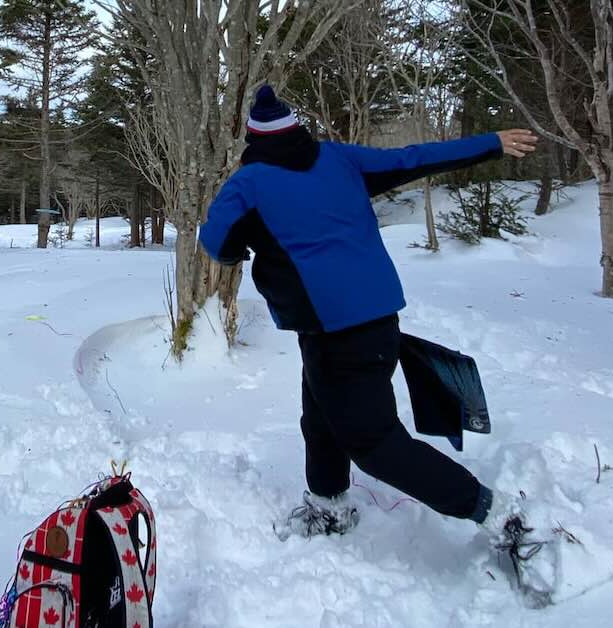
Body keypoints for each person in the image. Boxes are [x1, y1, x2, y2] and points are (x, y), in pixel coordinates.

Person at [197, 85, 542, 572]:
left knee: (374, 444)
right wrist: (489, 142)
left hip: (335, 331)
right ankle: (328, 506)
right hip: (371, 319)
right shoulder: (339, 160)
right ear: (298, 129)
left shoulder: (247, 185)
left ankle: (499, 513)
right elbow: (413, 158)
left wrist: (243, 248)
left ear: (253, 139)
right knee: (319, 417)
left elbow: (216, 244)